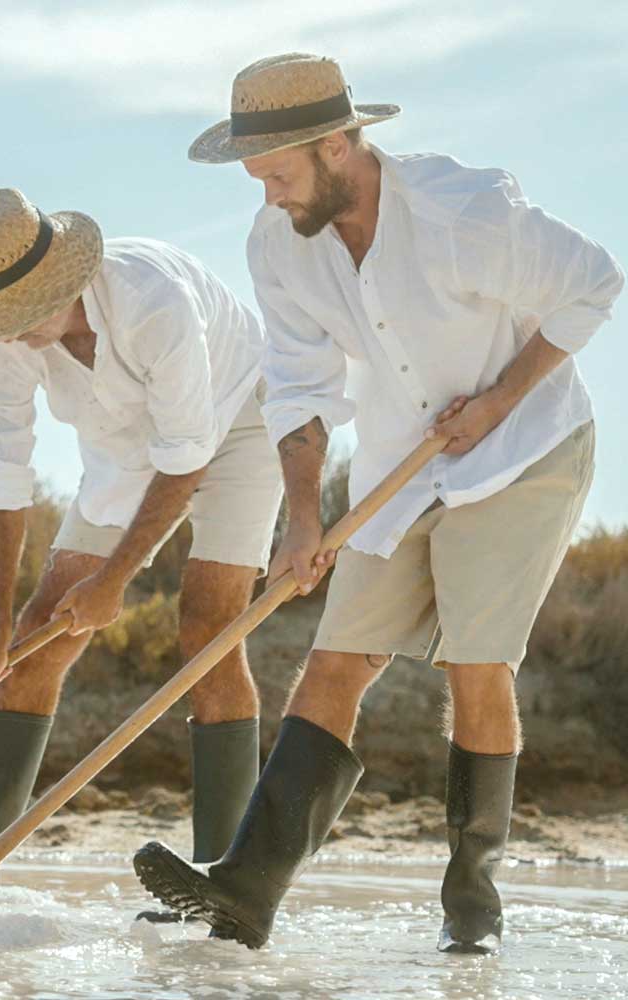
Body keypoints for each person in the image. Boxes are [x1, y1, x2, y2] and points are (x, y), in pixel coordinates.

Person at [133, 52, 624, 952]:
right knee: (335, 659)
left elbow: (593, 282)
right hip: (403, 460)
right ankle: (248, 891)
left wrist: (500, 400)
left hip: (524, 449)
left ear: (335, 146)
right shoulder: (276, 242)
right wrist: (306, 522)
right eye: (256, 179)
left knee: (475, 666)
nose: (268, 196)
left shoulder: (463, 210)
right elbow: (299, 386)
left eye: (278, 175)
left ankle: (472, 909)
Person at [0, 188, 284, 910]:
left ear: (63, 283)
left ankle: (225, 871)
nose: (11, 330)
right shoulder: (2, 338)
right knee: (36, 633)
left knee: (208, 631)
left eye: (22, 312)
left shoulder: (153, 298)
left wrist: (115, 580)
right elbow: (1, 477)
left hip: (241, 420)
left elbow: (186, 456)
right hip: (125, 453)